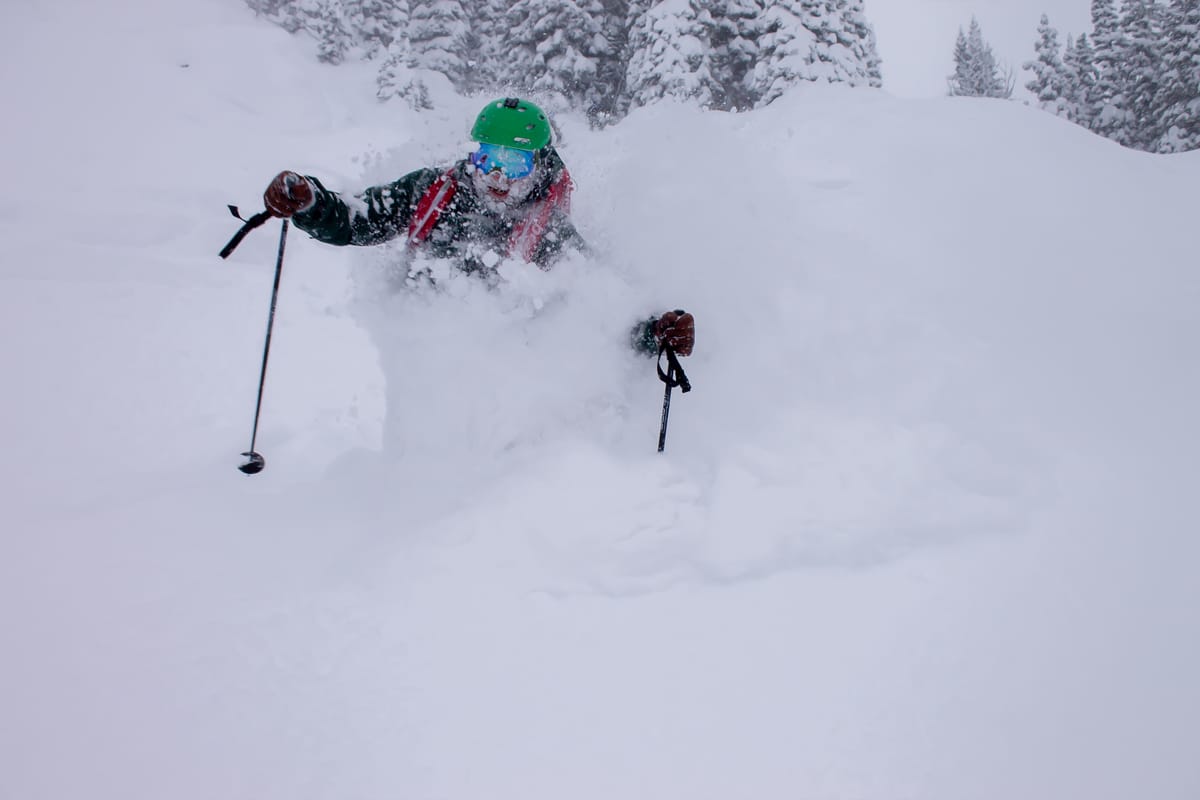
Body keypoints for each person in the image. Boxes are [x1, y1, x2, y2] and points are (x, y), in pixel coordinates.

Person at [262, 96, 694, 358]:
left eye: (515, 161)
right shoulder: (432, 191)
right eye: (489, 157)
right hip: (422, 361)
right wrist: (310, 202)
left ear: (539, 163)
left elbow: (599, 304)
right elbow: (357, 221)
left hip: (497, 381)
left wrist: (655, 332)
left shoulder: (546, 230)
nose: (499, 176)